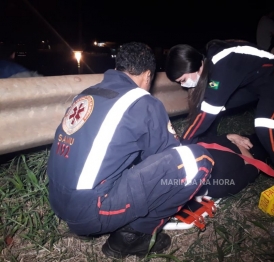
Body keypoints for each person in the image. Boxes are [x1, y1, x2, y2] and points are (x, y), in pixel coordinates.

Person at [47, 42, 214, 259]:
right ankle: (133, 236)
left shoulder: (87, 93)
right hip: (90, 210)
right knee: (197, 159)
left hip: (58, 202)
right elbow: (168, 159)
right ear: (147, 75)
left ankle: (96, 222)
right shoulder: (142, 102)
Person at [165, 39, 274, 177]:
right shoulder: (210, 66)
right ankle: (209, 146)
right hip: (252, 84)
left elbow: (207, 112)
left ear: (191, 65)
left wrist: (183, 144)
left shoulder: (221, 64)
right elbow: (205, 109)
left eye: (183, 80)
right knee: (211, 107)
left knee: (265, 124)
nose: (183, 85)